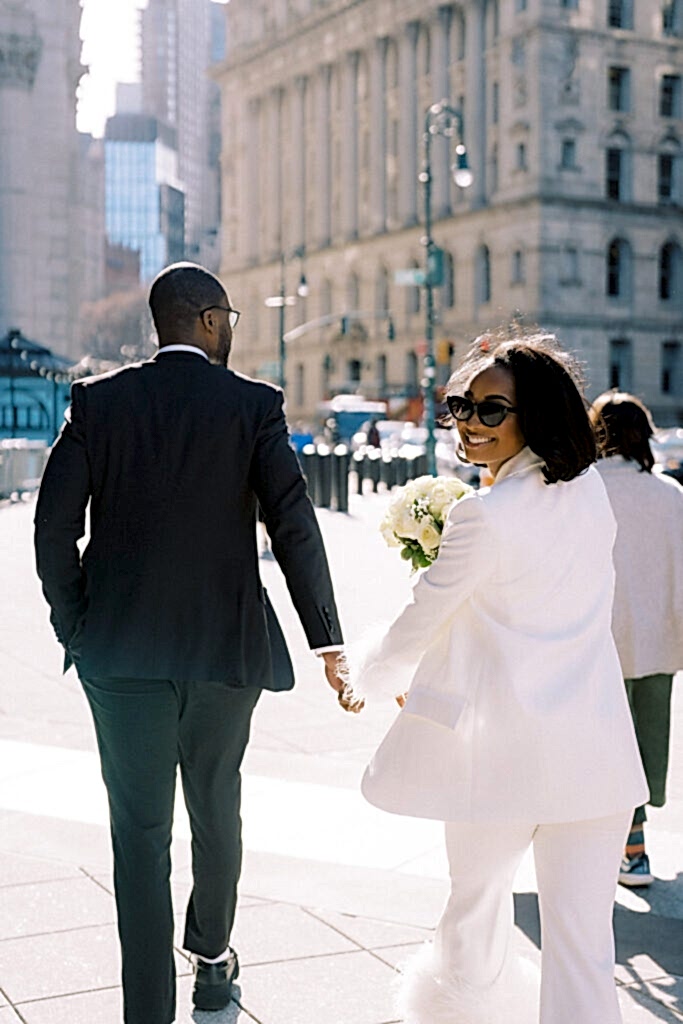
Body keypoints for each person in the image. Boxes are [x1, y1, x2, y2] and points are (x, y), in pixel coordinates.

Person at [34, 262, 347, 1024]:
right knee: (216, 808)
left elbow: (52, 529)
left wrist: (78, 624)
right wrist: (325, 639)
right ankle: (212, 961)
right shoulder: (253, 406)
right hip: (224, 654)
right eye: (230, 317)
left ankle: (147, 1011)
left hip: (121, 656)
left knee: (138, 835)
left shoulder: (97, 402)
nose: (232, 329)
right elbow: (293, 524)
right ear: (208, 321)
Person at [347, 332, 648, 1024]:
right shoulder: (590, 495)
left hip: (500, 761)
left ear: (534, 414)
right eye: (459, 406)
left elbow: (420, 621)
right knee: (582, 951)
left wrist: (367, 675)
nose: (467, 424)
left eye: (489, 410)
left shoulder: (481, 516)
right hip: (594, 756)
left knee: (473, 924)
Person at [590, 391, 683, 887]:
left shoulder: (582, 489)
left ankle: (617, 845)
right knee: (646, 744)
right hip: (657, 641)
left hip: (594, 642)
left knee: (601, 745)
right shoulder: (670, 494)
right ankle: (635, 847)